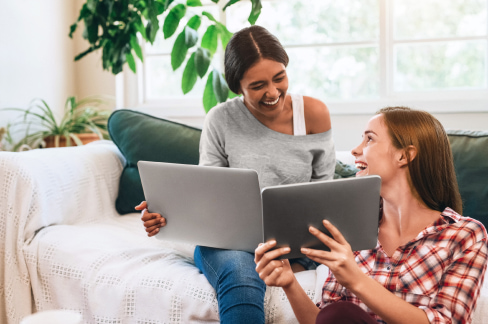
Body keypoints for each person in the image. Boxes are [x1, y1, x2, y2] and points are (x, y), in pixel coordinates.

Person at [135, 25, 336, 324]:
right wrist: (165, 215)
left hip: (298, 239)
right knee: (241, 274)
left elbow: (325, 192)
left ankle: (286, 263)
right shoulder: (221, 119)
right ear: (237, 86)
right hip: (231, 242)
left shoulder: (314, 114)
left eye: (279, 78)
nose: (272, 92)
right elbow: (208, 194)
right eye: (257, 85)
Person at [255, 107, 488, 324]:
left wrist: (356, 280)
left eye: (369, 139)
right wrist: (289, 283)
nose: (356, 149)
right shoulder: (351, 230)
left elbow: (447, 321)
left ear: (404, 156)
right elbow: (325, 319)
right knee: (337, 313)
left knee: (341, 312)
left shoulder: (466, 235)